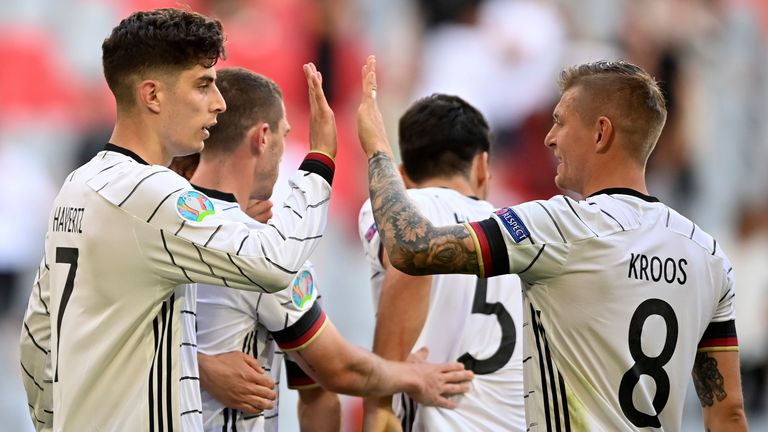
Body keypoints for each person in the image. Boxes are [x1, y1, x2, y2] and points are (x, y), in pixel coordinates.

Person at [14, 8, 462, 429]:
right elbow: (275, 264)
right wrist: (321, 160)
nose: (218, 104)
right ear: (152, 95)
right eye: (203, 85)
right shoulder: (153, 195)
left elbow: (37, 338)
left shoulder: (78, 185)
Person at [356, 55, 749, 431]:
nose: (549, 138)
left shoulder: (559, 226)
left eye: (559, 122)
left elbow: (411, 247)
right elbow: (728, 413)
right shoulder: (708, 255)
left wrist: (377, 147)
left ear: (600, 132)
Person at [182, 67, 475, 431]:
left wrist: (191, 361)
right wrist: (413, 377)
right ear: (262, 137)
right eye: (285, 137)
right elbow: (334, 372)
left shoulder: (149, 217)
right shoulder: (272, 253)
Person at [357, 94, 524, 431]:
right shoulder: (520, 228)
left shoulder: (404, 208)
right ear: (482, 166)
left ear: (401, 178)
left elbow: (410, 263)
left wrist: (380, 400)